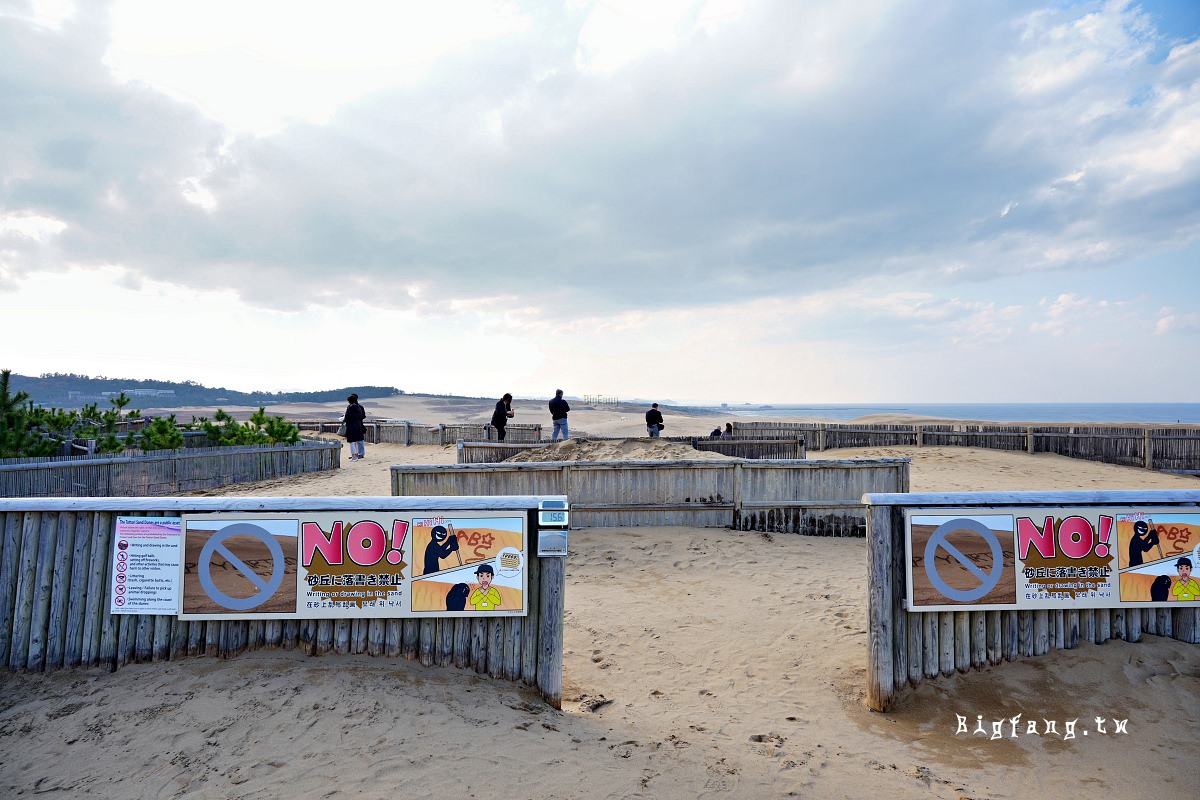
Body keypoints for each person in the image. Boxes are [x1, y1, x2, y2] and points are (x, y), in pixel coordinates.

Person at [343, 393, 366, 462]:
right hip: (359, 424)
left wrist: (344, 419)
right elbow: (362, 416)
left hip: (351, 426)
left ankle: (355, 456)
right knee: (359, 440)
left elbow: (347, 417)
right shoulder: (359, 407)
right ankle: (359, 454)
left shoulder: (350, 407)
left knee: (352, 442)